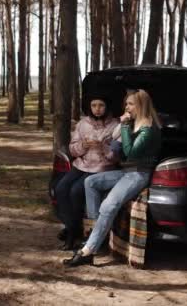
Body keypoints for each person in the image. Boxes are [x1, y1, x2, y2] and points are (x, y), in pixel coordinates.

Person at [63, 89, 162, 266]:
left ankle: (88, 251)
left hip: (139, 173)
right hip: (126, 171)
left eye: (130, 104)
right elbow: (115, 143)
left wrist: (123, 127)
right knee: (90, 182)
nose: (127, 107)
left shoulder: (149, 129)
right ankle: (93, 233)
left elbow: (130, 153)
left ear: (141, 105)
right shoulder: (133, 123)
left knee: (109, 205)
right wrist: (118, 128)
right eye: (126, 104)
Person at [55, 95, 122, 250]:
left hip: (102, 167)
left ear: (108, 106)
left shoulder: (116, 125)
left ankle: (72, 236)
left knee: (75, 192)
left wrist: (103, 148)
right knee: (60, 189)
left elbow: (117, 157)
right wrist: (83, 145)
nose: (97, 109)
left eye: (101, 105)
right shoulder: (83, 123)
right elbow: (72, 149)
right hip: (81, 165)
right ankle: (72, 228)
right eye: (93, 105)